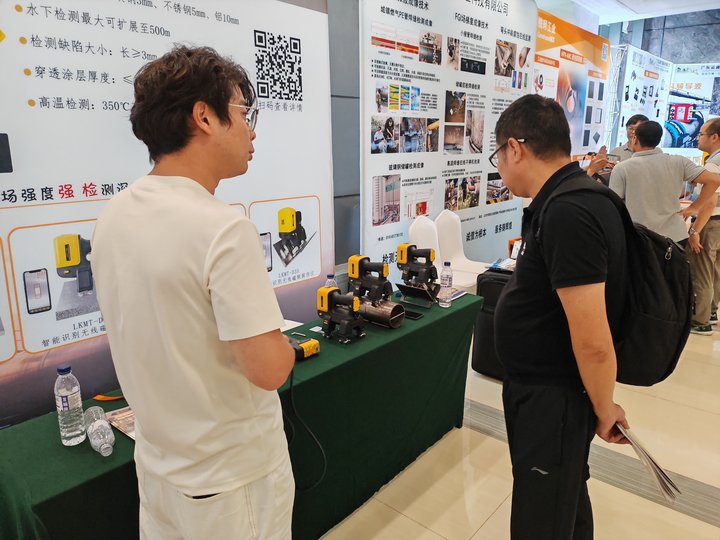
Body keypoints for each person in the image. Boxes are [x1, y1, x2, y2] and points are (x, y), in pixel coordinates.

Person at [91, 46, 296, 539]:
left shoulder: (113, 216)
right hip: (233, 482)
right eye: (244, 113)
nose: (251, 131)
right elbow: (269, 370)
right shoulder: (223, 228)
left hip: (159, 471)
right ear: (204, 116)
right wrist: (285, 346)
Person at [490, 94, 629, 539]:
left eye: (497, 156)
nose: (499, 167)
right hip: (548, 395)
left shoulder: (569, 210)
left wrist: (605, 407)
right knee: (562, 500)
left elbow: (592, 338)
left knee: (541, 517)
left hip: (554, 400)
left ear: (515, 148)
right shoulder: (567, 198)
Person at [609, 120, 720, 245]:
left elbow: (614, 205)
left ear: (635, 139)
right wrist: (694, 208)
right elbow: (714, 181)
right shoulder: (679, 161)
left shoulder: (622, 168)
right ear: (658, 140)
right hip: (674, 237)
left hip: (639, 238)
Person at [687, 118, 720, 334]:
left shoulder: (713, 164)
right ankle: (712, 311)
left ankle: (701, 321)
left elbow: (710, 201)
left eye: (701, 134)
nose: (697, 138)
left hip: (711, 222)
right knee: (715, 271)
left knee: (702, 272)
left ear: (715, 137)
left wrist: (695, 230)